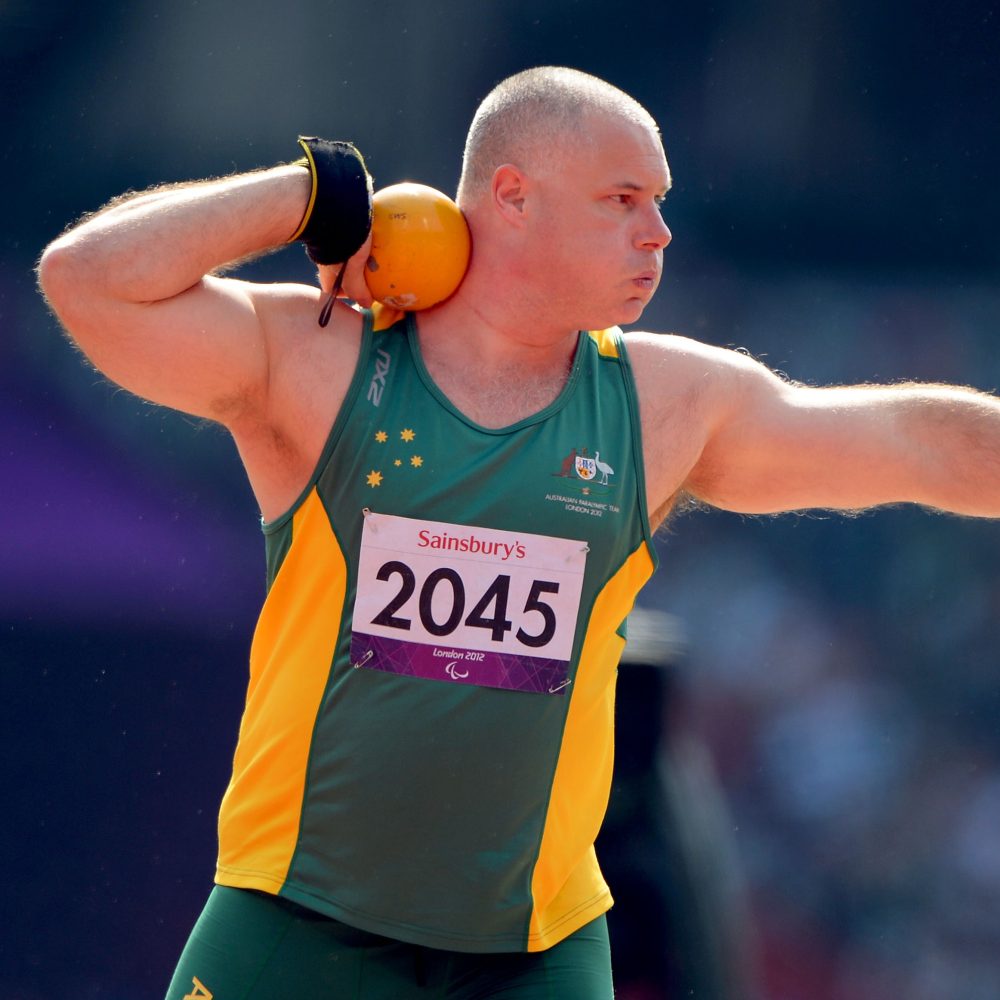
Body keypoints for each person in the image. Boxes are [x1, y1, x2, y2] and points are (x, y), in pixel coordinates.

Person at [37, 65, 1000, 1000]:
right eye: (623, 200)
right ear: (512, 196)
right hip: (297, 923)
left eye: (660, 203)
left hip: (529, 957)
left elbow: (910, 443)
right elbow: (87, 281)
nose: (659, 233)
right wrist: (310, 194)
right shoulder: (323, 359)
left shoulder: (665, 407)